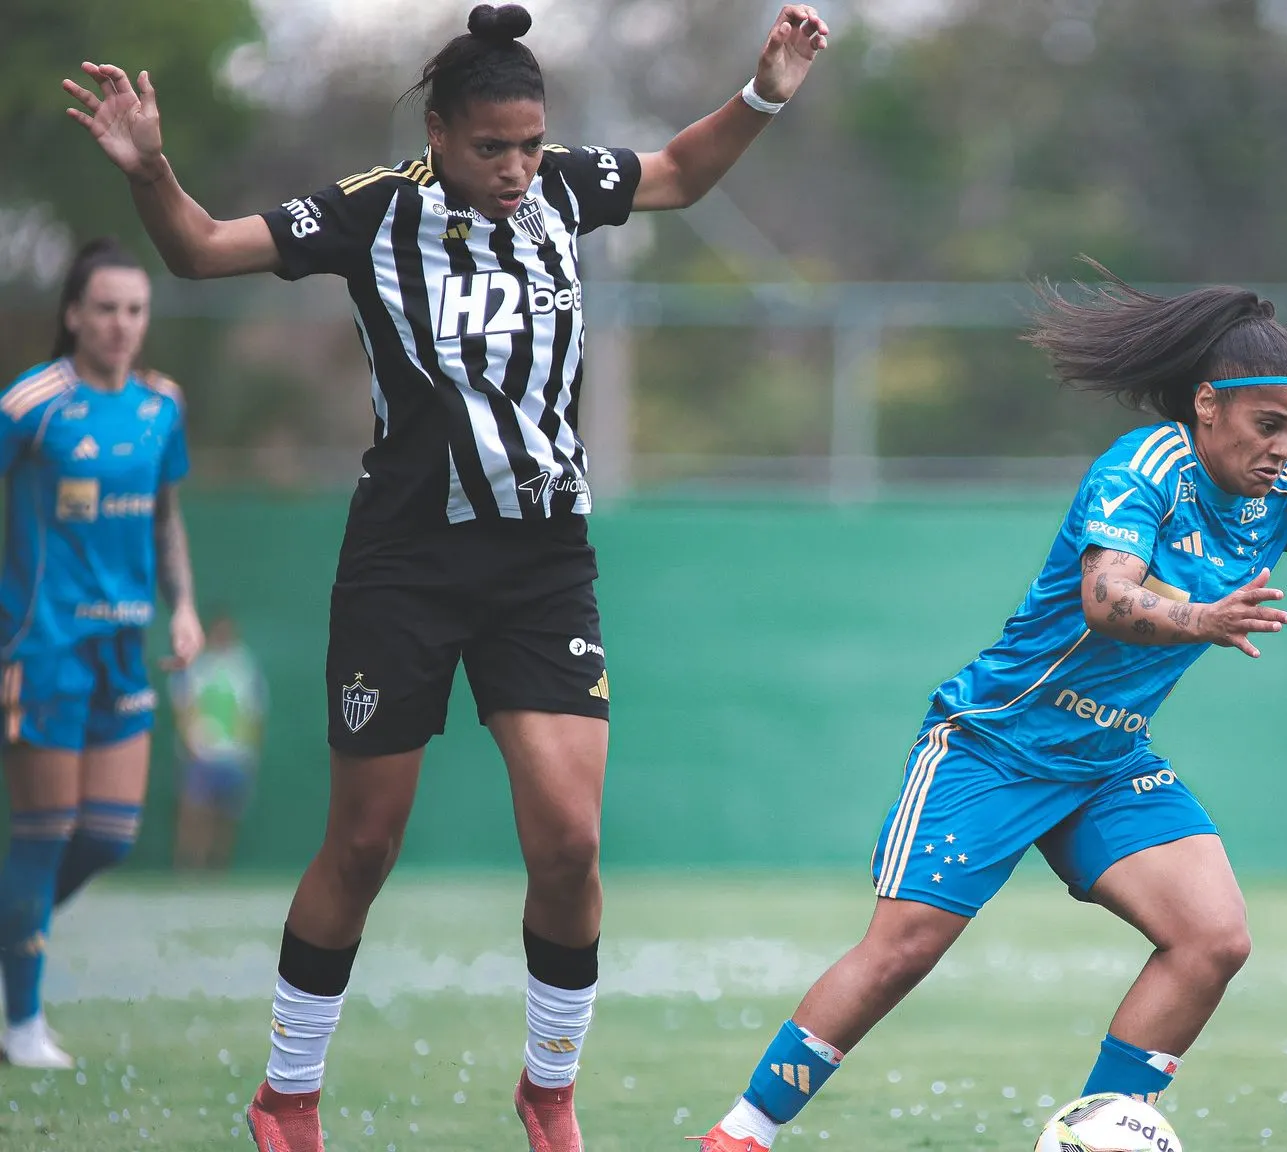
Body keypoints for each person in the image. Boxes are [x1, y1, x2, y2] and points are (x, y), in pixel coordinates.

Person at [62, 3, 828, 1147]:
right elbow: (200, 248)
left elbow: (674, 172)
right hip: (403, 567)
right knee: (363, 844)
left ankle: (550, 1088)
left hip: (543, 564)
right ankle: (288, 1092)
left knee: (569, 841)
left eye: (529, 144)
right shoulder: (372, 212)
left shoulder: (565, 187)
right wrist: (150, 168)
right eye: (491, 148)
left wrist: (763, 92)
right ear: (437, 132)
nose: (518, 168)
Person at [691, 266, 1287, 1151]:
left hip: (1105, 762)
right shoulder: (1145, 470)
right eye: (1268, 424)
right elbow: (1107, 597)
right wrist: (1202, 617)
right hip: (997, 744)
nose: (1285, 448)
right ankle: (742, 1134)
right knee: (903, 948)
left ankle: (1104, 1131)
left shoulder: (1278, 499)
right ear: (1207, 403)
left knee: (1213, 939)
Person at [0, 237, 203, 1069]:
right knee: (43, 835)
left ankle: (17, 938)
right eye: (107, 308)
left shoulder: (162, 407)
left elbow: (165, 517)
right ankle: (22, 1025)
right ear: (74, 315)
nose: (122, 325)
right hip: (43, 646)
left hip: (126, 645)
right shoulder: (30, 406)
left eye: (135, 309)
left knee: (110, 837)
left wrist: (183, 606)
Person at [169, 607, 267, 871]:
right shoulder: (197, 665)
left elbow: (255, 712)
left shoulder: (245, 666)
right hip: (201, 753)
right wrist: (191, 741)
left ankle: (216, 870)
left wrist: (250, 751)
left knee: (226, 817)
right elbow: (183, 705)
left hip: (235, 755)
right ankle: (189, 868)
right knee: (194, 814)